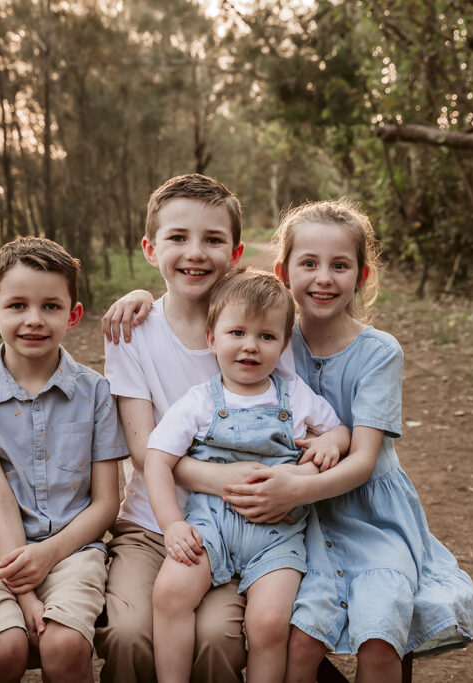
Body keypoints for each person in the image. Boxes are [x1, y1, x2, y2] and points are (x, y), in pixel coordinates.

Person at [104, 200, 473, 682]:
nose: (323, 278)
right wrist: (142, 293)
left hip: (334, 510)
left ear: (361, 276)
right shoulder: (263, 336)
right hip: (255, 516)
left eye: (339, 266)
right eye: (309, 264)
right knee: (287, 633)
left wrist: (300, 478)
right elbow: (153, 450)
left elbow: (352, 448)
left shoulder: (314, 344)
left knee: (339, 628)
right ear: (284, 272)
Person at [95, 174, 345, 683]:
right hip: (152, 523)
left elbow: (306, 411)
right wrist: (237, 480)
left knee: (217, 639)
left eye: (212, 240)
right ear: (150, 248)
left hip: (251, 525)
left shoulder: (259, 322)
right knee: (128, 634)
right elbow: (145, 451)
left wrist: (324, 445)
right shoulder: (132, 330)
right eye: (178, 238)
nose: (195, 252)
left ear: (234, 252)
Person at [144, 270, 349, 683]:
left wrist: (333, 442)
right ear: (212, 338)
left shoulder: (295, 395)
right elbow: (156, 459)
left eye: (266, 337)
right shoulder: (200, 401)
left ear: (283, 344)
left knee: (270, 623)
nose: (250, 347)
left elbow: (339, 430)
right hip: (210, 526)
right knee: (170, 593)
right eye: (237, 332)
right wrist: (172, 525)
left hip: (278, 535)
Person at [0, 237, 127, 683]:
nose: (34, 320)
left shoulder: (95, 392)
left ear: (73, 315)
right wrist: (24, 594)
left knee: (63, 644)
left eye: (50, 306)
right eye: (18, 306)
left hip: (73, 545)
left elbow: (105, 504)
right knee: (3, 649)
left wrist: (48, 555)